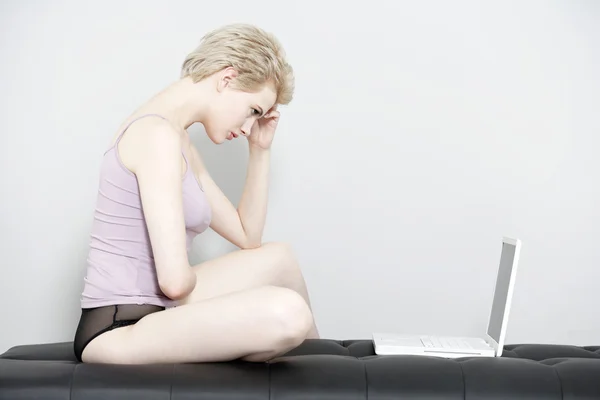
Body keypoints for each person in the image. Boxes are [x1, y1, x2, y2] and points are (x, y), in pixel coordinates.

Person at [73, 23, 319, 365]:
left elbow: (247, 236)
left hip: (157, 307)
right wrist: (231, 306)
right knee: (287, 312)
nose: (249, 126)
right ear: (227, 79)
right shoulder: (155, 135)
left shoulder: (177, 136)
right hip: (121, 327)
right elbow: (174, 282)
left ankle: (327, 372)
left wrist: (260, 149)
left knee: (280, 259)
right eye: (253, 110)